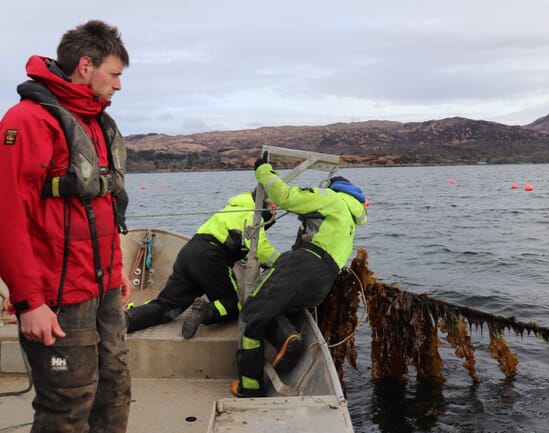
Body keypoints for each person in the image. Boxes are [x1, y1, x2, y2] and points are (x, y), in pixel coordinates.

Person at [0, 20, 131, 432]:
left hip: (104, 290)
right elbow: (7, 216)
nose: (118, 86)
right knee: (67, 406)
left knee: (113, 391)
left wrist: (116, 273)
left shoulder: (95, 123)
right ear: (86, 65)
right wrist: (28, 302)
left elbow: (100, 208)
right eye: (114, 75)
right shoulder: (27, 121)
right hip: (56, 299)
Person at [232, 151, 368, 397]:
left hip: (303, 263)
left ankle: (249, 385)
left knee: (252, 312)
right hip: (323, 281)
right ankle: (288, 338)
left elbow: (286, 197)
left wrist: (264, 171)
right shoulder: (349, 220)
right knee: (277, 309)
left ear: (334, 187)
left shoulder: (332, 199)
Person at [125, 191, 280, 339]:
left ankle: (126, 320)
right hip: (212, 258)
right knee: (232, 306)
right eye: (274, 208)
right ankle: (206, 311)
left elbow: (239, 242)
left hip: (189, 252)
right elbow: (261, 249)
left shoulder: (234, 207)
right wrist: (283, 264)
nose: (275, 213)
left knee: (166, 306)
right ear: (263, 203)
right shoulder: (254, 215)